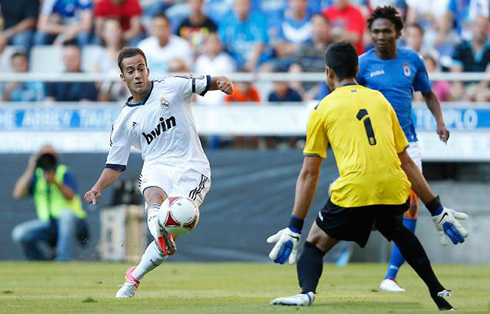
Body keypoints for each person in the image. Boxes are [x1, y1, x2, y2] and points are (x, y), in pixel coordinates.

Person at [267, 42, 468, 311]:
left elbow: (309, 174)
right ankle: (438, 292)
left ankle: (307, 292)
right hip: (395, 189)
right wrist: (436, 209)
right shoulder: (381, 100)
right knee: (395, 229)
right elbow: (406, 161)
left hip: (355, 191)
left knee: (314, 244)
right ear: (357, 68)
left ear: (328, 72)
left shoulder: (322, 109)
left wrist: (294, 226)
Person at [83, 47, 233, 298]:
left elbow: (208, 82)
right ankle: (159, 234)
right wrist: (98, 187)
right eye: (131, 71)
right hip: (156, 165)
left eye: (141, 68)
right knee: (154, 197)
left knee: (175, 218)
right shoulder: (124, 121)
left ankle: (134, 276)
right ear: (123, 77)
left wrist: (223, 83)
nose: (138, 75)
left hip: (191, 166)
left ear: (148, 69)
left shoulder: (172, 86)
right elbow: (115, 165)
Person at [355, 6, 450, 292]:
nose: (380, 36)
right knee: (372, 210)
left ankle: (391, 275)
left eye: (386, 31)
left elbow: (429, 93)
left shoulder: (413, 60)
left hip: (408, 145)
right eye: (375, 32)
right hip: (374, 147)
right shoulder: (362, 64)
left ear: (399, 32)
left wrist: (440, 122)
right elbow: (347, 98)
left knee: (411, 206)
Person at [11, 145, 88, 262]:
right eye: (43, 156)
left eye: (50, 156)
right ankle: (42, 262)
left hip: (72, 222)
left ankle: (63, 260)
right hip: (48, 224)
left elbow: (71, 196)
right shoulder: (37, 175)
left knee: (66, 214)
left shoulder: (64, 172)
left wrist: (55, 182)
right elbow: (18, 194)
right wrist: (30, 168)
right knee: (19, 233)